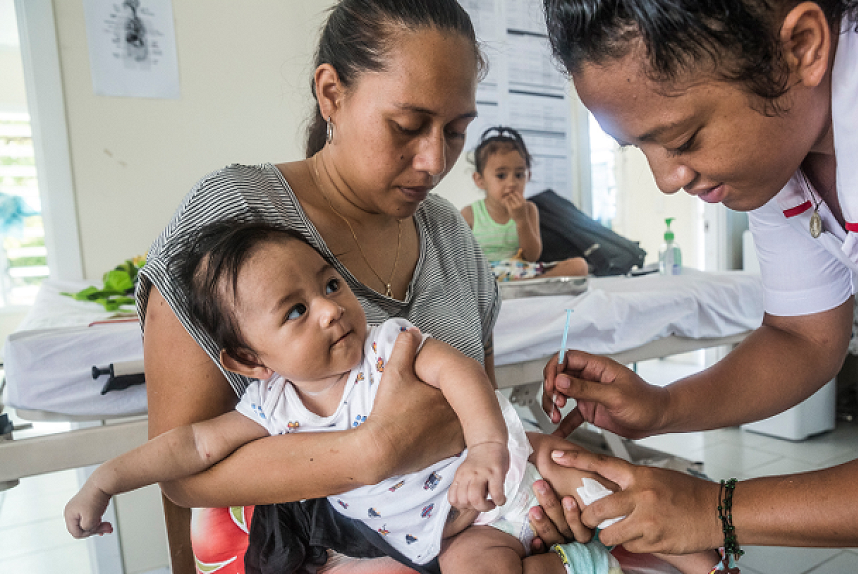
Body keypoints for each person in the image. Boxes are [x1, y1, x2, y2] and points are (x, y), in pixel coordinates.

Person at [531, 0, 858, 572]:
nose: (667, 179)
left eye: (683, 138)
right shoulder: (784, 138)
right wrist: (661, 406)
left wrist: (714, 510)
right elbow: (802, 337)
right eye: (638, 146)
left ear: (801, 47)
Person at [130, 1, 566, 572]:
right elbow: (184, 475)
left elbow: (479, 423)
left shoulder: (450, 236)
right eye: (406, 126)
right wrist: (371, 450)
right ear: (331, 93)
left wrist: (527, 496)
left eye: (457, 131)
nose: (434, 160)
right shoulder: (237, 217)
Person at [75, 222, 686, 574]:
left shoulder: (386, 346)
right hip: (454, 534)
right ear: (249, 361)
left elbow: (460, 372)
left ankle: (706, 559)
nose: (330, 309)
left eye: (329, 284)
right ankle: (576, 564)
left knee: (615, 493)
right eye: (295, 311)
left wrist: (485, 447)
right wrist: (106, 480)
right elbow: (190, 445)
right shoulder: (270, 407)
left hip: (515, 471)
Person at [461, 126, 589, 281]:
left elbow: (532, 257)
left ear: (528, 176)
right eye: (501, 176)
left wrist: (521, 220)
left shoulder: (529, 209)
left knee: (579, 266)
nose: (512, 183)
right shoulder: (469, 214)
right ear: (480, 180)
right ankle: (518, 287)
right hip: (486, 277)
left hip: (521, 273)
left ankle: (524, 284)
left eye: (519, 175)